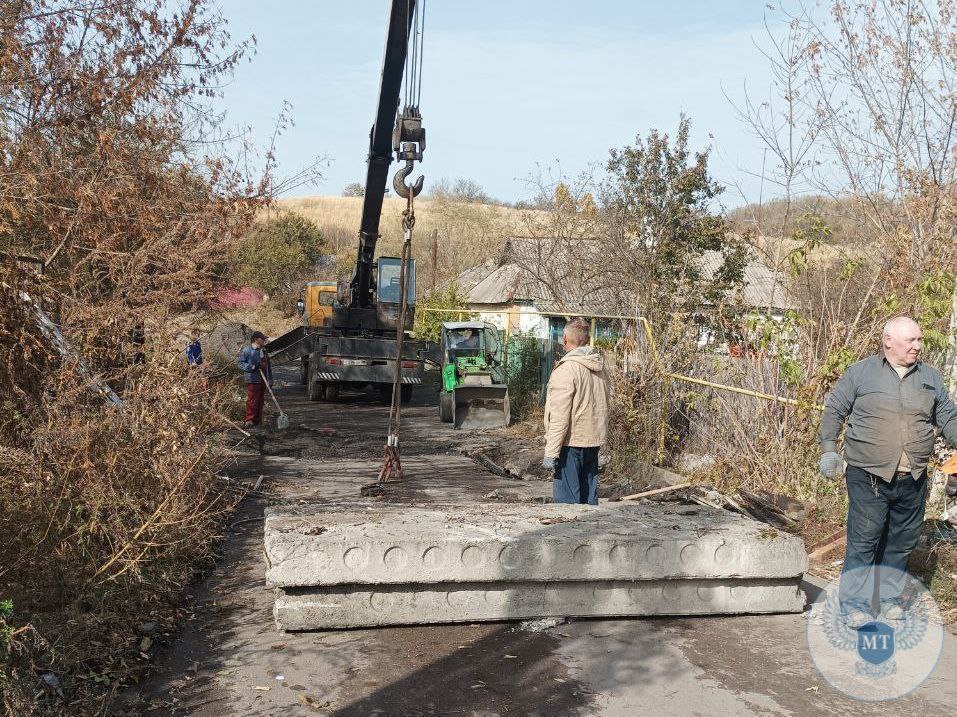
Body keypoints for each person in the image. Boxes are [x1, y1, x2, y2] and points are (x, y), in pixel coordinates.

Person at [819, 316, 957, 626]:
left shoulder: (930, 378)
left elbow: (948, 417)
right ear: (888, 342)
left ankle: (889, 599)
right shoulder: (862, 372)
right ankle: (854, 605)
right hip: (869, 474)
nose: (917, 346)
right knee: (865, 538)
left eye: (919, 340)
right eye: (911, 341)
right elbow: (835, 409)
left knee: (901, 541)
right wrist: (829, 449)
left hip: (914, 476)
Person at [542, 318, 612, 505]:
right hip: (593, 442)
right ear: (588, 340)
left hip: (570, 444)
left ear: (564, 338)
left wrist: (551, 451)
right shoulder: (600, 369)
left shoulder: (567, 370)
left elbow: (560, 415)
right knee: (589, 499)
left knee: (567, 504)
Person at [238, 331, 272, 427]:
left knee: (260, 400)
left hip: (263, 379)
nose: (264, 340)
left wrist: (270, 380)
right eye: (262, 339)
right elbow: (240, 364)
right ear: (256, 339)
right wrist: (252, 366)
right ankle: (249, 419)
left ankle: (257, 419)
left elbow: (268, 367)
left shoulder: (264, 351)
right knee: (252, 400)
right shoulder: (247, 350)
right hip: (253, 379)